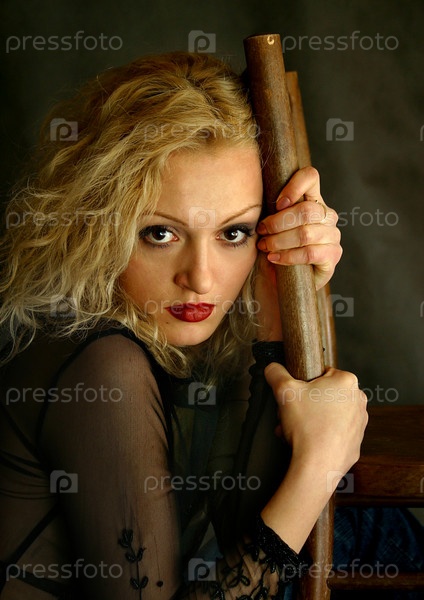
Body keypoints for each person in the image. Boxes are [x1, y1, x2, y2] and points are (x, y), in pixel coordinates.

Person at [0, 51, 421, 600]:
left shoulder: (169, 339)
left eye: (233, 233)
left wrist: (279, 301)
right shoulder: (100, 365)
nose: (200, 278)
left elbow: (242, 521)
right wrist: (320, 465)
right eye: (160, 233)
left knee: (357, 529)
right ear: (97, 225)